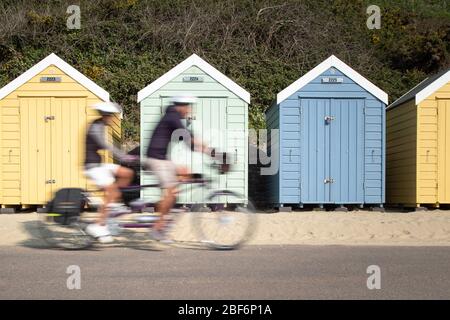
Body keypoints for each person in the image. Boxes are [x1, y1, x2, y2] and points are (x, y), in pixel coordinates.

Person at [145, 95, 212, 241]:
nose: (189, 111)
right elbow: (188, 137)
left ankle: (170, 210)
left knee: (184, 173)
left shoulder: (172, 117)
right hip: (156, 159)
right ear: (181, 106)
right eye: (188, 107)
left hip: (162, 158)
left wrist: (203, 150)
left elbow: (188, 142)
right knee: (172, 192)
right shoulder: (172, 117)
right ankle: (158, 228)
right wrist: (211, 152)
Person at [84, 102, 135, 243]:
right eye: (112, 116)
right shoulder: (95, 127)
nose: (113, 119)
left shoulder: (100, 124)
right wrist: (123, 156)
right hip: (92, 167)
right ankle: (97, 225)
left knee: (127, 173)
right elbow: (104, 145)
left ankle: (112, 204)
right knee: (112, 192)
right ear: (105, 116)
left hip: (100, 165)